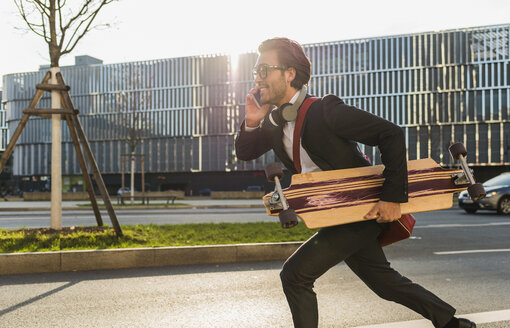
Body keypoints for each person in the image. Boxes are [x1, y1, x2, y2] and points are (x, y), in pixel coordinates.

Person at [235, 37, 476, 328]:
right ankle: (453, 324)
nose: (258, 78)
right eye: (255, 71)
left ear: (290, 74)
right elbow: (245, 152)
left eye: (265, 70)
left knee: (295, 275)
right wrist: (251, 121)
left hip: (364, 210)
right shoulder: (273, 122)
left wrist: (392, 198)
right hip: (335, 215)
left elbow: (391, 134)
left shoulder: (325, 111)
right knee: (384, 282)